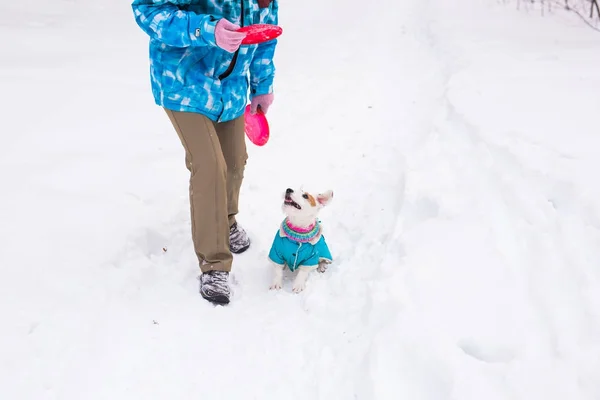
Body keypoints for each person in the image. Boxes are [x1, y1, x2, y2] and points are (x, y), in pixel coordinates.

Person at [131, 0, 279, 305]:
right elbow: (147, 10)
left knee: (235, 161)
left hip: (233, 87)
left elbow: (264, 31)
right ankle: (214, 264)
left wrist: (262, 84)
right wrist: (206, 30)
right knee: (209, 166)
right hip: (183, 82)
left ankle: (225, 220)